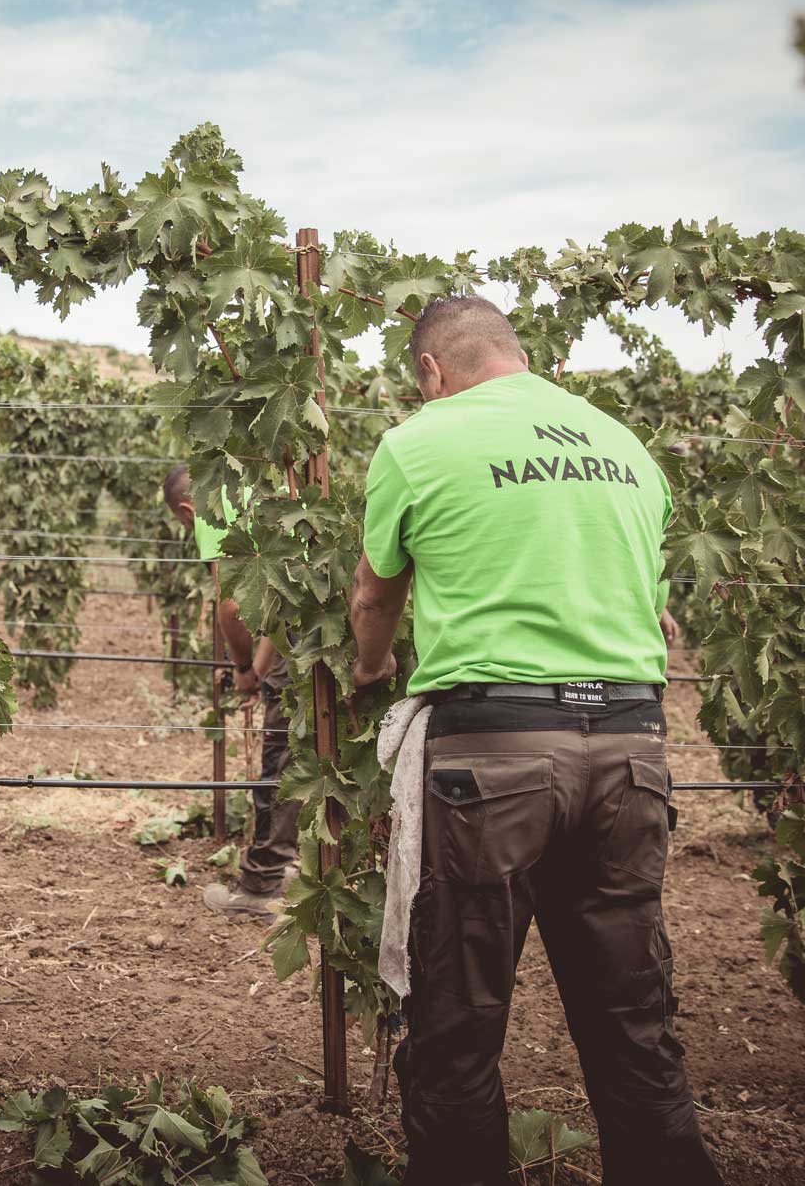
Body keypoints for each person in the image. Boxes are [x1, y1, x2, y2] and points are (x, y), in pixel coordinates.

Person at [349, 296, 723, 1185]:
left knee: (458, 1020)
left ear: (433, 371)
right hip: (631, 754)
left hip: (496, 761)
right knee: (633, 1019)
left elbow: (375, 598)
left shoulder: (420, 440)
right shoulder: (623, 446)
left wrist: (371, 669)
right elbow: (655, 613)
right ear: (518, 355)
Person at [163, 466, 298, 917]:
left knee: (279, 759)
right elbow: (277, 603)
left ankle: (264, 884)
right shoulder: (259, 488)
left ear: (187, 509)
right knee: (300, 752)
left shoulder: (210, 507)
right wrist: (257, 672)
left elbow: (233, 605)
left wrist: (241, 665)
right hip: (315, 620)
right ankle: (291, 861)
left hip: (301, 637)